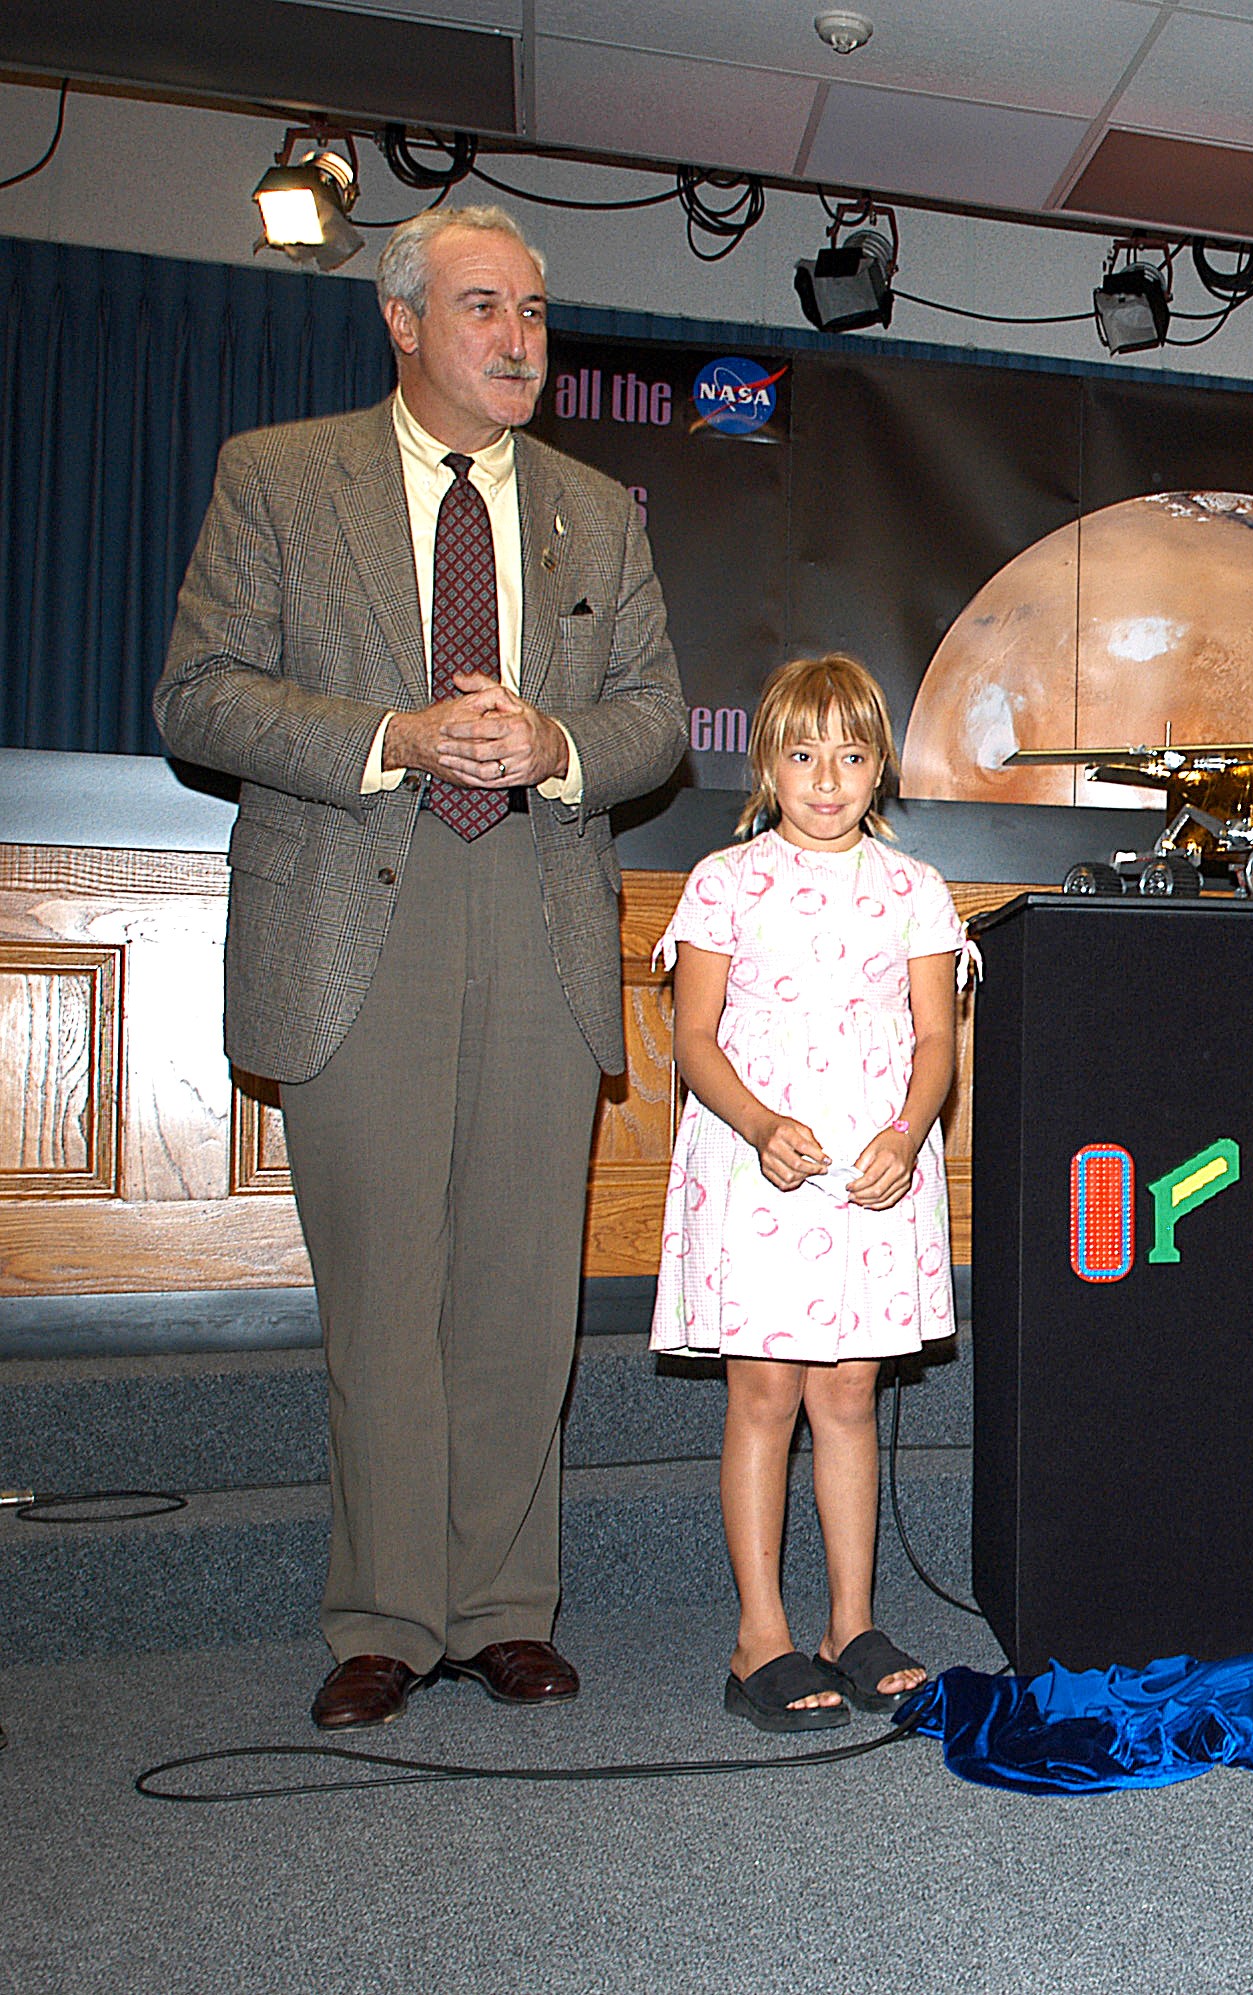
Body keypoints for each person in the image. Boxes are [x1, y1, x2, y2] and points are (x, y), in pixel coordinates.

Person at [156, 205, 686, 1726]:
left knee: (521, 1297)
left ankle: (504, 1608)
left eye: (532, 310)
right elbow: (199, 694)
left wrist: (560, 742)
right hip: (347, 916)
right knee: (386, 1294)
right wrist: (391, 735)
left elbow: (655, 712)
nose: (522, 338)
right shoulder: (280, 475)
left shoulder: (600, 508)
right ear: (401, 323)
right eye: (483, 309)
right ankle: (385, 1615)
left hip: (537, 912)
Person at [651, 654, 965, 1730]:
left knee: (846, 1396)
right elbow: (693, 1037)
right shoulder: (724, 882)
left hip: (872, 1175)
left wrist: (908, 1130)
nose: (827, 778)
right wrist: (759, 1124)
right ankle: (761, 1638)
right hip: (757, 1167)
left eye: (852, 754)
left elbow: (935, 1038)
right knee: (766, 1395)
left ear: (880, 766)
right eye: (802, 754)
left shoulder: (914, 888)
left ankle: (849, 1621)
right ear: (767, 764)